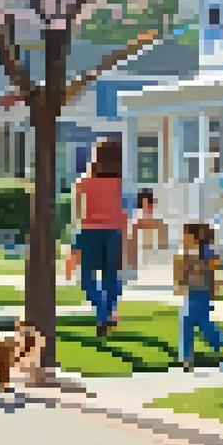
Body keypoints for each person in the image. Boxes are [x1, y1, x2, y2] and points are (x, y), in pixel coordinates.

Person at [73, 137, 128, 338]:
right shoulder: (121, 183)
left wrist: (74, 240)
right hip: (114, 231)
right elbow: (125, 212)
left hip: (89, 231)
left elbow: (77, 213)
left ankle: (102, 311)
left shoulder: (84, 181)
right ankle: (108, 313)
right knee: (111, 276)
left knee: (86, 278)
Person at [173, 222, 223, 372]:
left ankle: (218, 340)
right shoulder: (184, 252)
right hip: (190, 294)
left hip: (202, 294)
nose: (182, 237)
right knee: (187, 323)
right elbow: (179, 276)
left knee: (201, 323)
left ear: (195, 236)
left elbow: (212, 269)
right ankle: (187, 360)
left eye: (185, 235)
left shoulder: (207, 252)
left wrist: (212, 295)